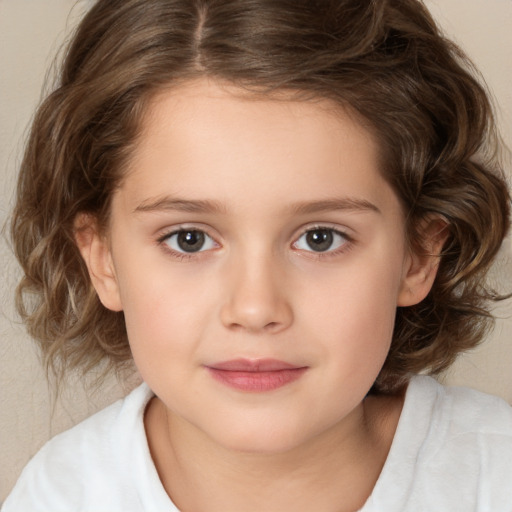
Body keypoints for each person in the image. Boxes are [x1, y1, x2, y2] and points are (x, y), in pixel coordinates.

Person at [2, 0, 511, 510]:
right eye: (189, 239)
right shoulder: (60, 496)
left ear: (418, 256)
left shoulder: (495, 473)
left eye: (320, 238)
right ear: (103, 260)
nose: (255, 309)